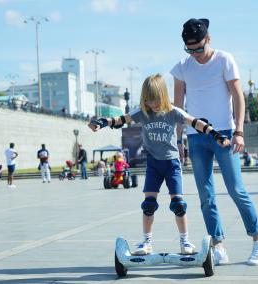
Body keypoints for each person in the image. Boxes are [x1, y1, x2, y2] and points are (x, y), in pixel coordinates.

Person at [89, 74, 230, 255]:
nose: (152, 104)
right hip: (153, 164)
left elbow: (195, 121)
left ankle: (185, 242)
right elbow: (121, 119)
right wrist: (102, 122)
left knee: (178, 204)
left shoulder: (173, 111)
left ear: (163, 95)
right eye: (147, 100)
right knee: (148, 204)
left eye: (155, 99)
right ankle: (147, 242)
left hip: (171, 164)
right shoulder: (142, 112)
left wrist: (215, 134)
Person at [172, 18, 258, 265]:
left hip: (224, 134)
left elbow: (238, 96)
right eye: (189, 49)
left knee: (236, 189)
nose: (195, 54)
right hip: (196, 137)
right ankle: (218, 246)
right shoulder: (182, 67)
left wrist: (239, 132)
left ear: (209, 39)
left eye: (198, 48)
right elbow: (178, 110)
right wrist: (178, 141)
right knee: (206, 196)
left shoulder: (224, 59)